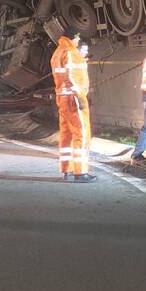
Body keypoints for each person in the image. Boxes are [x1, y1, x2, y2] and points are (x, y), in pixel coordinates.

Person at [50, 26, 94, 182]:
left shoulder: (57, 52)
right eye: (77, 38)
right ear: (73, 37)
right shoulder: (70, 52)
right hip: (73, 98)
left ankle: (66, 169)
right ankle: (80, 173)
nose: (78, 41)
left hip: (62, 98)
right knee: (81, 134)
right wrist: (80, 96)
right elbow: (72, 76)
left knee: (66, 135)